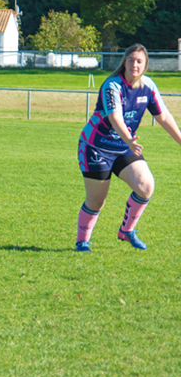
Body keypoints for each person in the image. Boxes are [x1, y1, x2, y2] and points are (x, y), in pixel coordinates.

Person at [76, 43, 181, 252]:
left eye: (139, 61)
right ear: (124, 62)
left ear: (145, 66)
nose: (135, 64)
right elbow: (115, 117)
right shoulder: (112, 85)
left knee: (146, 185)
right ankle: (82, 242)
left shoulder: (148, 87)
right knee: (96, 201)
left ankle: (126, 231)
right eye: (131, 60)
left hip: (125, 147)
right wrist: (129, 139)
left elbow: (164, 116)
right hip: (96, 147)